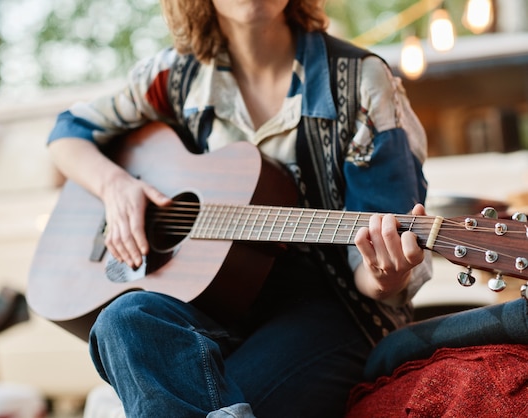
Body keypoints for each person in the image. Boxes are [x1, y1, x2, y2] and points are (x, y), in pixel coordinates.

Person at [46, 0, 432, 416]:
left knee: (207, 397)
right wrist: (116, 186)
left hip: (335, 308)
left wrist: (385, 272)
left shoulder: (360, 81)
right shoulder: (173, 77)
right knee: (123, 318)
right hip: (218, 304)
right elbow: (68, 132)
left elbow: (377, 264)